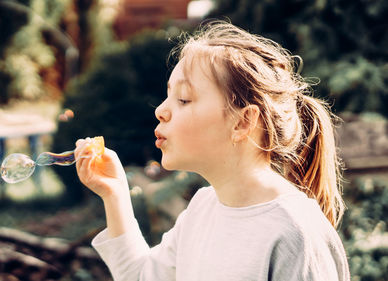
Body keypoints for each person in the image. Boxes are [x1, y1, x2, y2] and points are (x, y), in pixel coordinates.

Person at [74, 21, 350, 281]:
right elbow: (142, 276)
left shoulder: (295, 233)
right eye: (168, 96)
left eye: (183, 99)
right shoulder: (203, 208)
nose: (160, 110)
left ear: (242, 122)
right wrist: (115, 194)